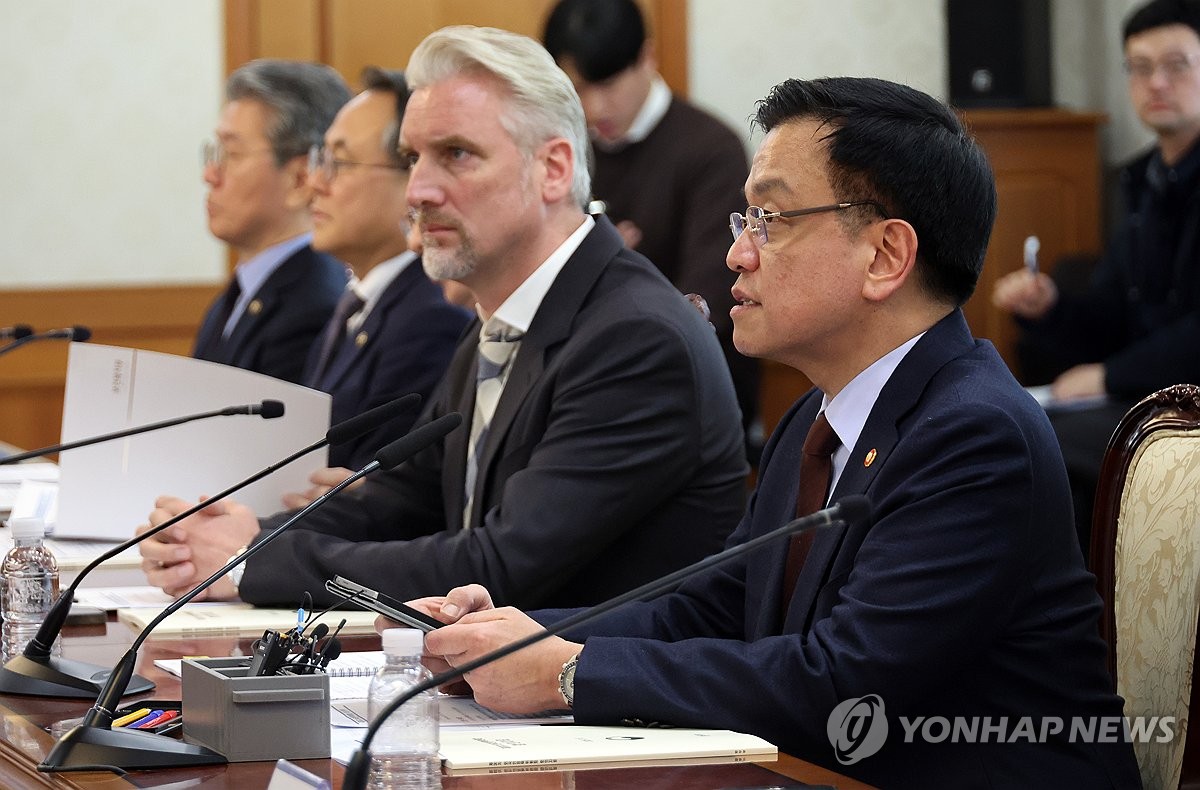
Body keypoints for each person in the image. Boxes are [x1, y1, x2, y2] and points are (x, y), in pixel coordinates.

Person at [409, 77, 1142, 788]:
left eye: (770, 220)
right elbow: (717, 606)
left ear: (886, 256)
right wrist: (518, 633)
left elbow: (842, 684)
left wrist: (566, 674)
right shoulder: (816, 418)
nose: (738, 252)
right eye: (743, 220)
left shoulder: (975, 436)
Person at [137, 26, 747, 612]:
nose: (418, 190)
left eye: (455, 155)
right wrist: (248, 532)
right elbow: (405, 500)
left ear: (554, 170)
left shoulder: (634, 339)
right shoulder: (504, 317)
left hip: (608, 707)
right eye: (411, 157)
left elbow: (500, 562)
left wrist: (251, 563)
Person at [992, 0, 1200, 556]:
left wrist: (1108, 375)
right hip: (1146, 391)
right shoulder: (1141, 180)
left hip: (1186, 401)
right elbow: (1114, 311)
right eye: (1139, 66)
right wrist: (1050, 307)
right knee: (999, 422)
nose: (1156, 81)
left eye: (1177, 64)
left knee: (1031, 446)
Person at [542, 0, 760, 444]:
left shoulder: (709, 150)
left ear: (647, 56)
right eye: (577, 88)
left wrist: (606, 266)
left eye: (607, 84)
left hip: (685, 396)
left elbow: (709, 305)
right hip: (577, 385)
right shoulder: (564, 151)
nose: (593, 107)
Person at [298, 67, 470, 474]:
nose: (315, 183)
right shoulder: (357, 300)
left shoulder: (431, 316)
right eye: (320, 158)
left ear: (409, 179)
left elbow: (380, 490)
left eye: (338, 162)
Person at [192, 59, 351, 384]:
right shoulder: (240, 292)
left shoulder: (315, 307)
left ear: (300, 179)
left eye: (232, 155)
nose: (210, 174)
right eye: (214, 152)